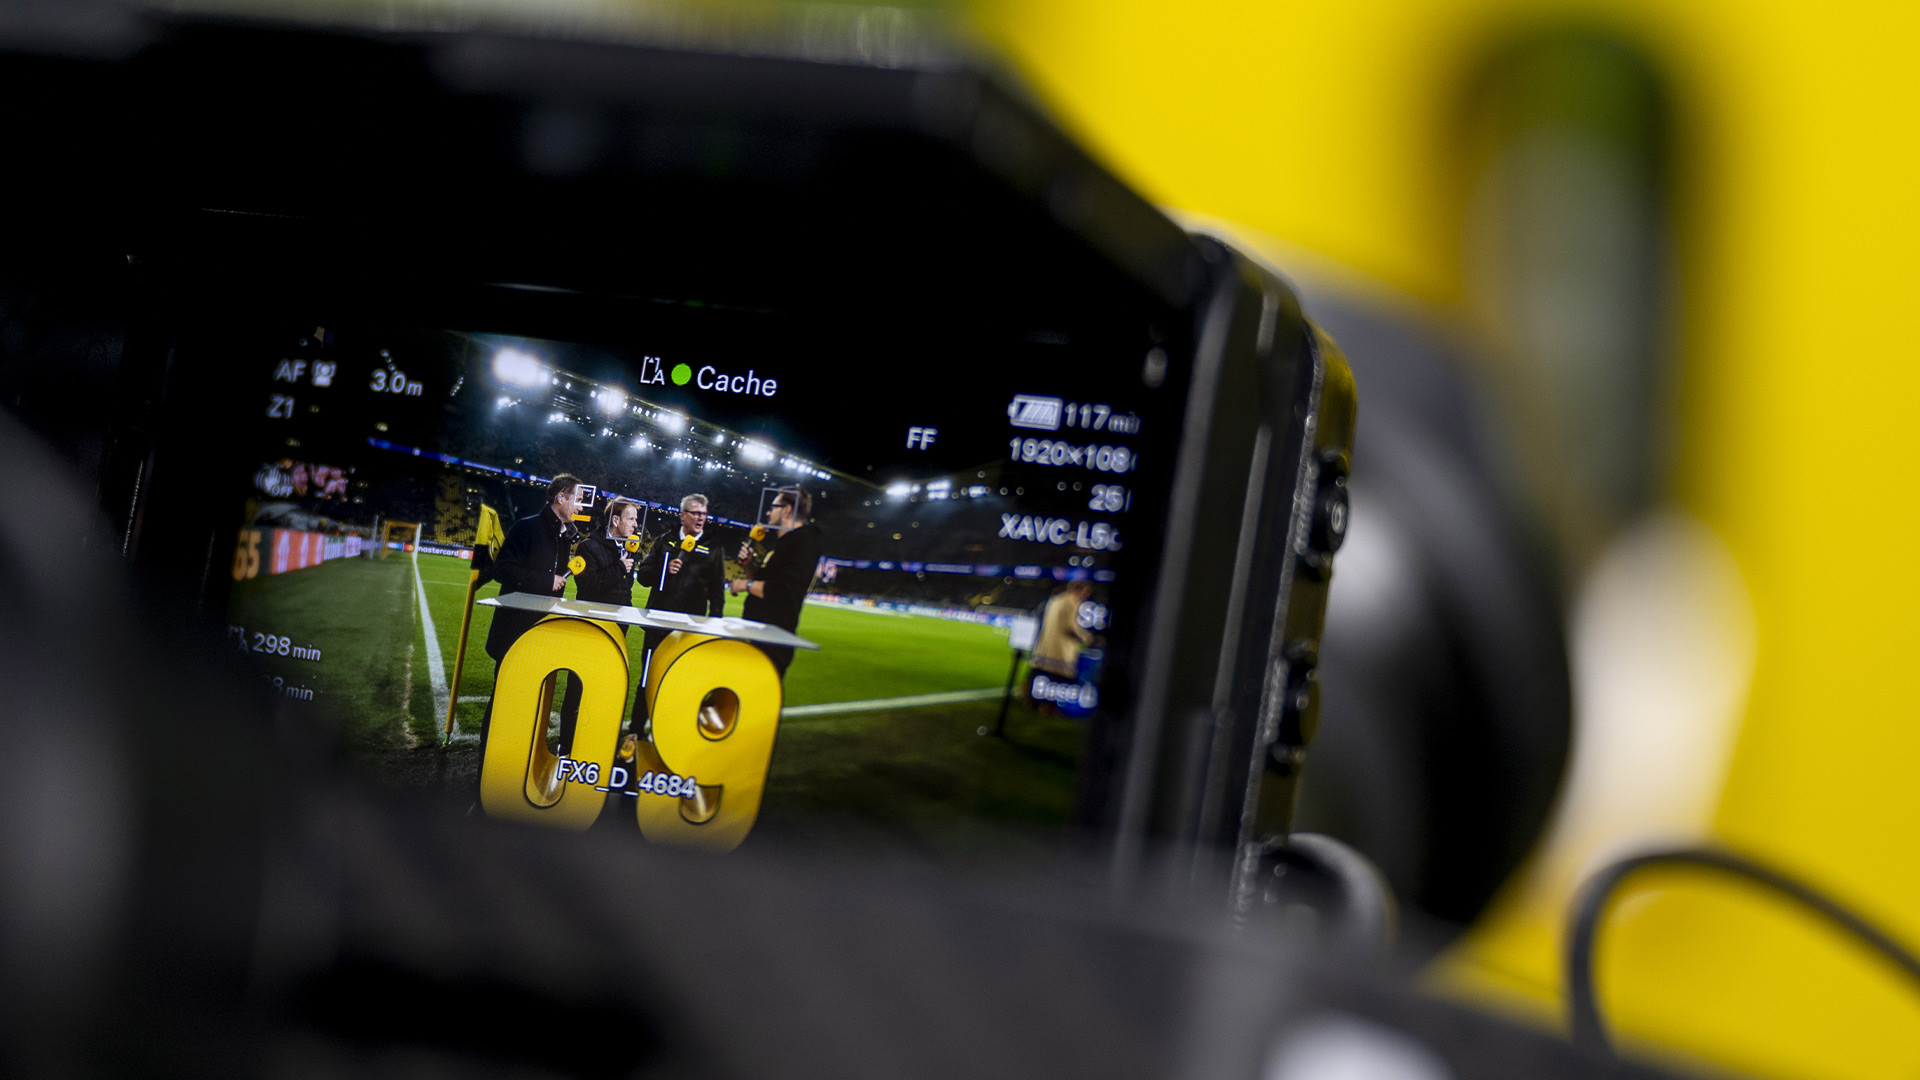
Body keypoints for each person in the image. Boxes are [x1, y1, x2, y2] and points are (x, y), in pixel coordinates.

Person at [479, 473, 581, 753]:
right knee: (503, 697)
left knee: (528, 700)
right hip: (514, 631)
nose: (580, 507)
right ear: (561, 497)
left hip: (540, 633)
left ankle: (514, 756)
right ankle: (487, 762)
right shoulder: (527, 527)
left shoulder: (563, 535)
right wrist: (547, 580)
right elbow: (502, 569)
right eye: (578, 499)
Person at [632, 494, 728, 721]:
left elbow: (717, 591)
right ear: (683, 515)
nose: (700, 518)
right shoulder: (664, 541)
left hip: (689, 630)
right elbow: (643, 576)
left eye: (703, 514)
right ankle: (635, 730)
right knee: (647, 678)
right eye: (695, 513)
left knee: (680, 681)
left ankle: (665, 730)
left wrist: (713, 626)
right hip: (657, 625)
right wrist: (663, 570)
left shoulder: (713, 547)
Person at [559, 497, 641, 751]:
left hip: (617, 629)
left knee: (604, 687)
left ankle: (592, 743)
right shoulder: (588, 546)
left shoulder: (627, 547)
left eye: (636, 520)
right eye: (631, 519)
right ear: (615, 520)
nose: (635, 525)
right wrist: (620, 568)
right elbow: (588, 585)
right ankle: (567, 746)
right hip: (591, 628)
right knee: (578, 686)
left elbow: (625, 590)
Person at [731, 488, 821, 676]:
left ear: (787, 510)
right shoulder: (786, 543)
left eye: (773, 507)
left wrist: (745, 585)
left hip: (772, 642)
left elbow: (783, 591)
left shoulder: (803, 543)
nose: (768, 512)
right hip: (760, 636)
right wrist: (749, 565)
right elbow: (769, 583)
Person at [1030, 579, 1094, 678]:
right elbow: (1071, 626)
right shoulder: (1072, 602)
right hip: (1059, 659)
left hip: (1043, 655)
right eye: (1087, 591)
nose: (1087, 595)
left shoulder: (1056, 599)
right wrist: (1088, 638)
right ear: (1080, 590)